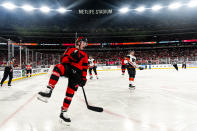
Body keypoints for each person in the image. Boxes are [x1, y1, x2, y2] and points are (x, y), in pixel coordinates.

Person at [37, 37, 88, 125]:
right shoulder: (70, 49)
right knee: (58, 67)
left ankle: (63, 113)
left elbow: (84, 68)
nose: (85, 44)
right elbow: (63, 60)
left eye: (85, 43)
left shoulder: (85, 55)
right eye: (83, 42)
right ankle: (48, 91)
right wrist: (71, 57)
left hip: (77, 74)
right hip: (69, 68)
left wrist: (83, 79)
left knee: (70, 94)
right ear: (78, 42)